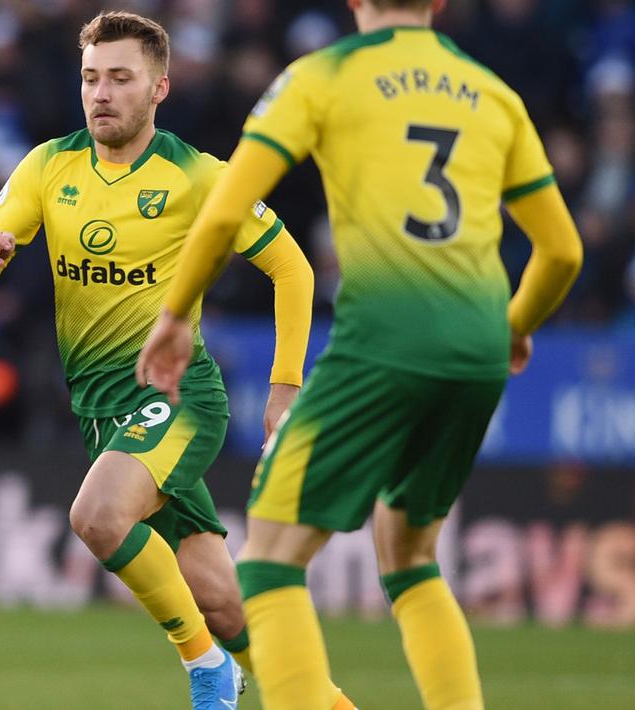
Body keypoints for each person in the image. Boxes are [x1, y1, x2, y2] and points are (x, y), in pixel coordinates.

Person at [137, 1, 584, 708]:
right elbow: (562, 251)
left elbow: (224, 209)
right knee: (410, 558)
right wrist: (516, 325)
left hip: (385, 335)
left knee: (269, 562)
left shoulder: (322, 76)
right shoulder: (494, 94)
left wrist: (171, 315)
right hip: (476, 344)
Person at [0, 12, 352, 710]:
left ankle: (206, 668)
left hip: (177, 399)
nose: (101, 93)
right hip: (102, 415)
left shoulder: (197, 175)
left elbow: (292, 269)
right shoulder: (48, 165)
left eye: (120, 78)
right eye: (91, 78)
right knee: (224, 605)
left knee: (97, 517)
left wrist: (283, 389)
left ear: (159, 88)